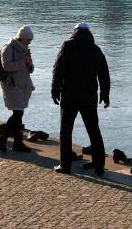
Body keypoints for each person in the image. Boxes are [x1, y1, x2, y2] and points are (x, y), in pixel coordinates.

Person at [51, 22, 110, 175]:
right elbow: (104, 75)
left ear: (75, 32)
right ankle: (99, 166)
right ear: (90, 34)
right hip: (89, 97)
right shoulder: (96, 50)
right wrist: (105, 94)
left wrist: (54, 89)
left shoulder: (67, 46)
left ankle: (65, 166)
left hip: (69, 96)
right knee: (94, 131)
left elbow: (58, 70)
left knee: (66, 131)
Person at [0, 25, 35, 153]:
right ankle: (3, 139)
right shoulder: (8, 48)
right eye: (28, 39)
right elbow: (6, 66)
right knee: (17, 113)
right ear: (22, 38)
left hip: (23, 84)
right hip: (11, 85)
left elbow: (31, 69)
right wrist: (23, 61)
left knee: (19, 113)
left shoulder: (25, 49)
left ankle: (17, 143)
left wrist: (29, 63)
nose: (30, 42)